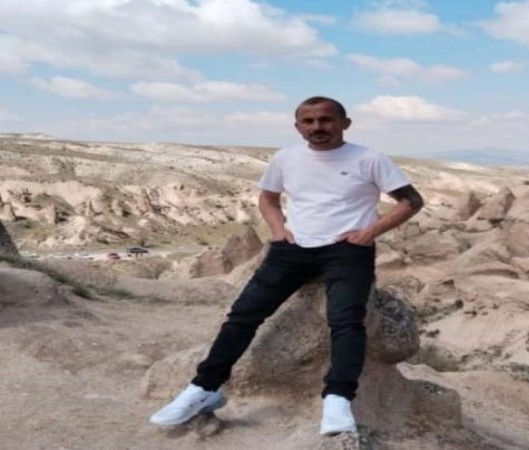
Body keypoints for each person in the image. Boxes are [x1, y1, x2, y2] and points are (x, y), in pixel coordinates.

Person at [149, 96, 424, 435]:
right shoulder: (286, 158)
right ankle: (203, 389)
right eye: (308, 121)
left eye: (326, 119)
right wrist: (279, 231)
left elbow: (411, 200)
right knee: (243, 314)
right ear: (298, 126)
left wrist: (369, 233)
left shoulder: (370, 159)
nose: (317, 127)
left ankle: (338, 399)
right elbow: (268, 198)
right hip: (293, 248)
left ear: (345, 123)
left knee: (346, 321)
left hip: (347, 250)